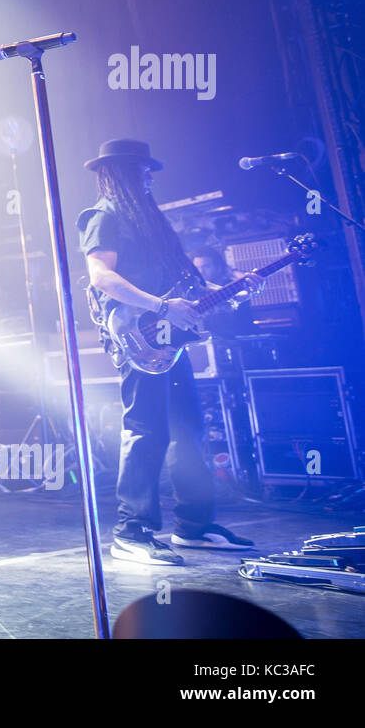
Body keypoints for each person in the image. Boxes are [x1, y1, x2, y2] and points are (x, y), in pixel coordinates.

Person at [77, 139, 261, 565]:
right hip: (138, 336)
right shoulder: (104, 216)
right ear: (121, 172)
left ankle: (193, 527)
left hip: (170, 344)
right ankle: (131, 531)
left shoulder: (150, 221)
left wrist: (231, 291)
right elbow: (100, 276)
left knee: (189, 431)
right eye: (142, 170)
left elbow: (187, 288)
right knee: (146, 431)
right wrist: (160, 307)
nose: (150, 177)